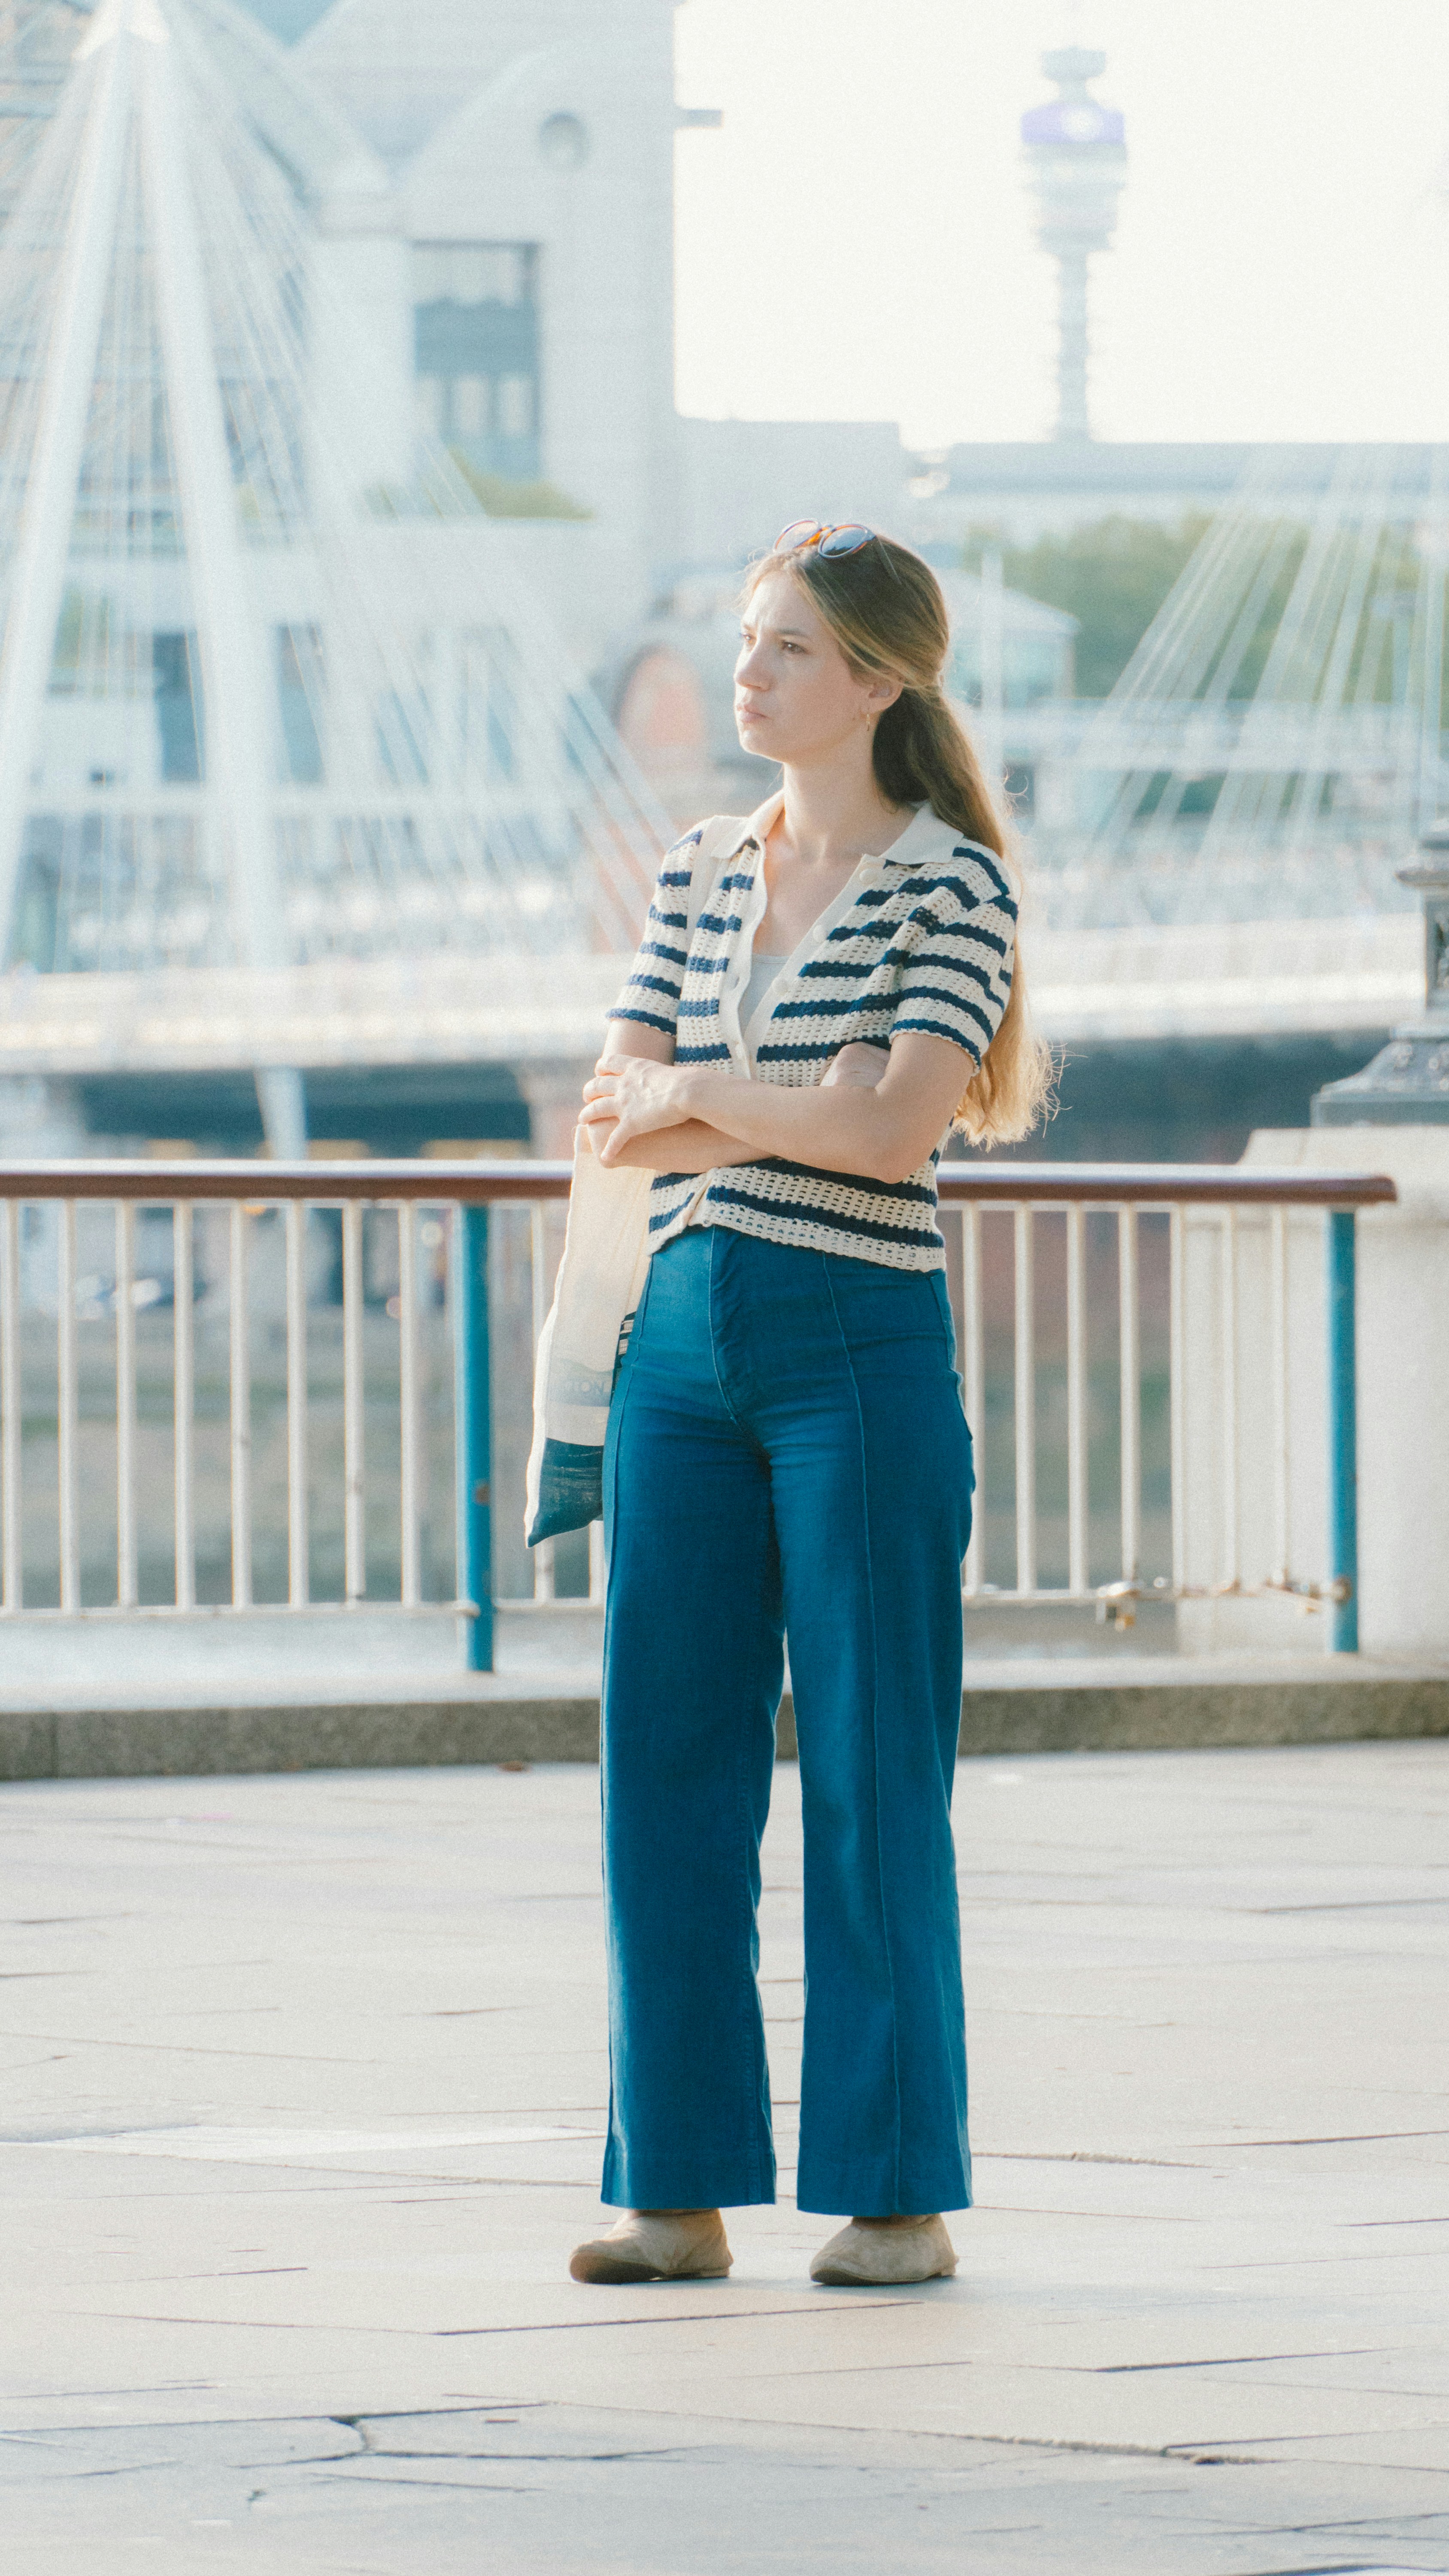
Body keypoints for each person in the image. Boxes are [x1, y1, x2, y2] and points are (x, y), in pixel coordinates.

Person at [568, 522, 1051, 2290]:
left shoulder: (953, 889)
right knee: (665, 1774)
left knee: (869, 1771)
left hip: (856, 1346)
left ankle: (895, 2196)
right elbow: (613, 1110)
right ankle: (673, 2192)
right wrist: (777, 1097)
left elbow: (893, 1134)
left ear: (877, 680)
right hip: (676, 1349)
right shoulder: (699, 868)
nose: (748, 675)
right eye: (748, 641)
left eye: (786, 648)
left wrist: (706, 1095)